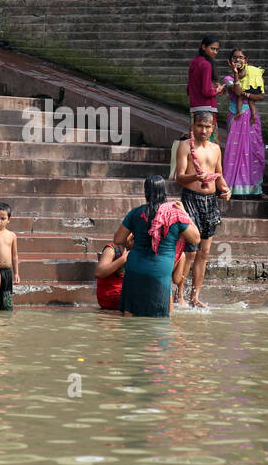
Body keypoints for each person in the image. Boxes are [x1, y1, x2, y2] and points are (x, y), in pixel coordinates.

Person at [113, 175, 201, 318]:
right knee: (160, 318)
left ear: (145, 192)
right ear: (164, 192)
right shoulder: (175, 215)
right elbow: (196, 238)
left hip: (135, 267)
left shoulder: (136, 213)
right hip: (160, 270)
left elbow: (118, 239)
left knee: (130, 313)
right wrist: (185, 213)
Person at [173, 110, 231, 308]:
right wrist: (195, 177)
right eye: (200, 126)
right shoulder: (184, 147)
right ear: (193, 125)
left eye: (207, 127)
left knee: (204, 253)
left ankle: (195, 297)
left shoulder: (215, 148)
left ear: (213, 128)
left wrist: (225, 189)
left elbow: (219, 174)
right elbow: (179, 177)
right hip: (190, 199)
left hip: (210, 202)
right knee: (190, 251)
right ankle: (179, 295)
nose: (203, 130)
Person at [220, 48, 266, 198]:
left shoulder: (252, 76)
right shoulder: (228, 79)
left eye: (241, 58)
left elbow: (260, 96)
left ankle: (253, 189)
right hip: (236, 116)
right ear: (230, 61)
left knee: (253, 150)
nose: (238, 60)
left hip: (251, 118)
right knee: (234, 151)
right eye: (235, 58)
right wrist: (235, 73)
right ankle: (232, 187)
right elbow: (238, 92)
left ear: (246, 60)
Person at [0, 202, 19, 312]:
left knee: (6, 300)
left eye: (3, 218)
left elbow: (14, 256)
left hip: (7, 272)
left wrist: (16, 273)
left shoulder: (12, 235)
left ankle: (6, 319)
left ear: (8, 219)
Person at [94, 234, 132, 310]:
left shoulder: (140, 250)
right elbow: (99, 273)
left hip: (127, 300)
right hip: (111, 299)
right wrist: (122, 259)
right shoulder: (112, 249)